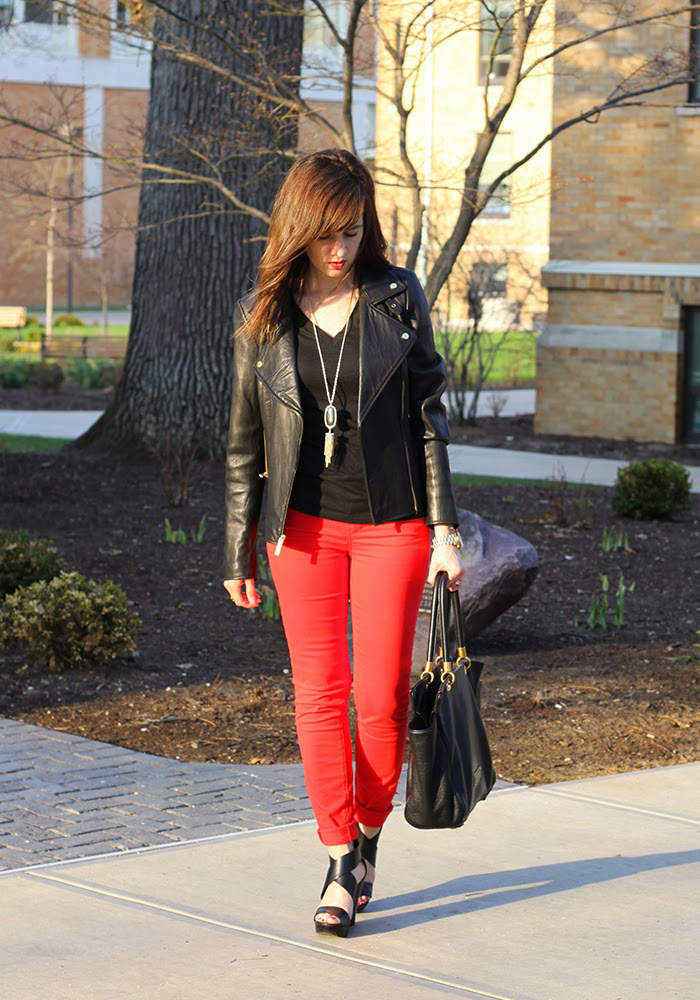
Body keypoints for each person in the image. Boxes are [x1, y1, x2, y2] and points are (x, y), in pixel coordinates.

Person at [223, 148, 465, 938]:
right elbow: (242, 444)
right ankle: (337, 855)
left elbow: (429, 418)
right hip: (302, 531)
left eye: (353, 232)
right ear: (300, 228)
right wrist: (239, 549)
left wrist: (445, 529)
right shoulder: (265, 316)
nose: (340, 248)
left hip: (391, 526)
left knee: (383, 697)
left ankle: (366, 834)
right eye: (328, 234)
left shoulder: (397, 297)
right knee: (320, 695)